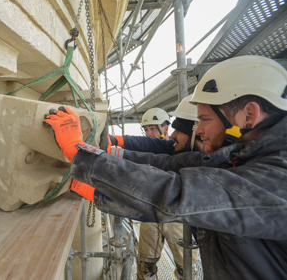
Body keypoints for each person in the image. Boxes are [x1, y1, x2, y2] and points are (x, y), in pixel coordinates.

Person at [43, 55, 287, 279]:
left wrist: (79, 152)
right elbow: (165, 164)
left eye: (205, 120)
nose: (199, 130)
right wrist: (99, 158)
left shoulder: (278, 177)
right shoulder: (239, 156)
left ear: (249, 116)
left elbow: (174, 193)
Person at [106, 104, 200, 280]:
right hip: (151, 213)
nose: (149, 133)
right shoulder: (154, 146)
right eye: (146, 129)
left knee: (185, 268)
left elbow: (154, 150)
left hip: (176, 218)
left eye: (152, 128)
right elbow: (143, 145)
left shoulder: (177, 149)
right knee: (145, 264)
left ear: (165, 127)